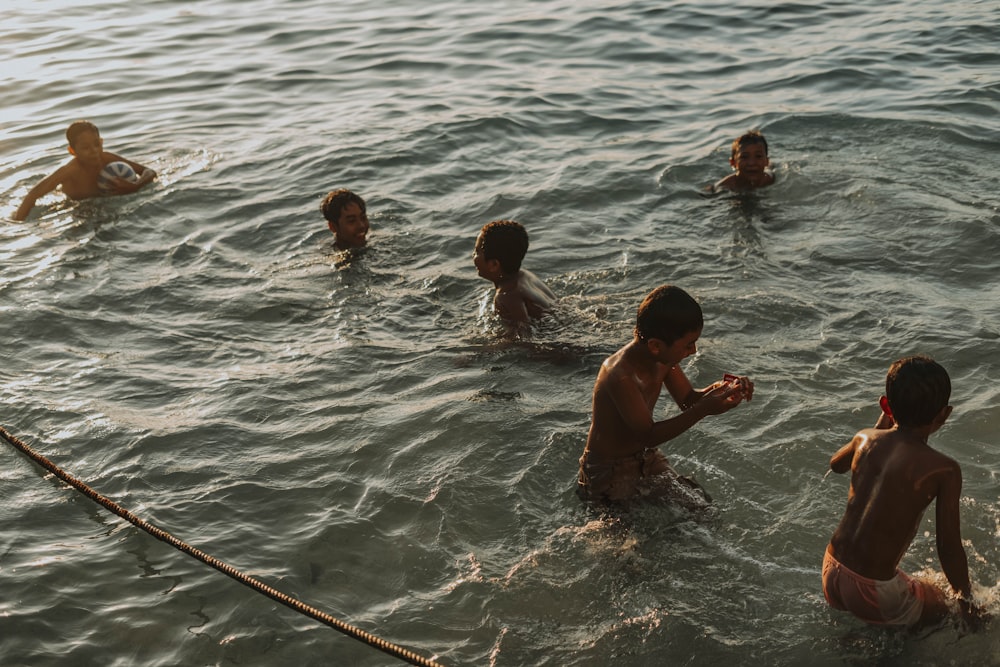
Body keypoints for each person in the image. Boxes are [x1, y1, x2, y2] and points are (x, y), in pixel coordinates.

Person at [822, 355, 985, 628]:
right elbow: (948, 548)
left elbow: (837, 465)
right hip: (873, 589)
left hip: (831, 568)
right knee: (945, 607)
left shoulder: (864, 438)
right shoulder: (945, 470)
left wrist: (880, 426)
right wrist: (966, 601)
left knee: (916, 588)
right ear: (945, 414)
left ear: (886, 406)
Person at [577, 285, 753, 507]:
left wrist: (723, 389)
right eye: (689, 344)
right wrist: (705, 409)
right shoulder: (620, 376)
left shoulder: (664, 359)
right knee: (630, 536)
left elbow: (688, 399)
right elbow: (648, 435)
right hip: (607, 471)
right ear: (655, 346)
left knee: (700, 508)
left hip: (646, 459)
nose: (694, 351)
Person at [13, 120, 157, 221]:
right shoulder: (70, 170)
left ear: (101, 142)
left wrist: (135, 186)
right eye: (86, 148)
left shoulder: (107, 159)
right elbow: (33, 194)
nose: (94, 151)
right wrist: (19, 224)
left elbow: (149, 172)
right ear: (72, 151)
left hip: (108, 204)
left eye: (96, 144)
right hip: (76, 208)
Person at [472, 219, 556, 326]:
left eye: (477, 251)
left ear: (494, 264)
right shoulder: (526, 276)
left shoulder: (505, 296)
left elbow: (522, 337)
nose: (473, 256)